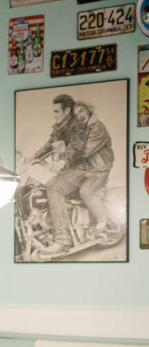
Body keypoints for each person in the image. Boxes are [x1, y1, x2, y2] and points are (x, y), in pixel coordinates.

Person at [44, 100, 119, 255]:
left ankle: (67, 238)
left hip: (98, 169)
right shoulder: (78, 129)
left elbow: (84, 151)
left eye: (82, 112)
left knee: (86, 192)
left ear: (89, 111)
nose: (79, 116)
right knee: (52, 185)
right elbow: (63, 146)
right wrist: (36, 157)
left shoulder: (98, 128)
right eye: (76, 114)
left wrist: (62, 159)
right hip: (82, 168)